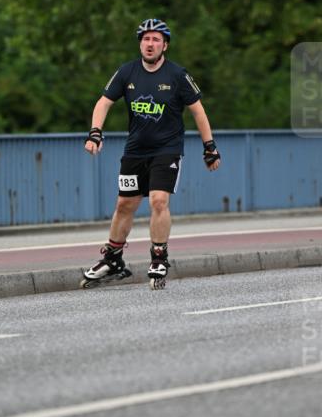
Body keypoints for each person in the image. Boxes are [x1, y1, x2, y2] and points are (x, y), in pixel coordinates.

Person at [82, 17, 221, 288]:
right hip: (135, 151)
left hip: (167, 150)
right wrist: (95, 132)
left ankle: (159, 257)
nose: (150, 43)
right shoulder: (127, 72)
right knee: (125, 204)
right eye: (146, 39)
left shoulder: (177, 75)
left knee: (158, 201)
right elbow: (103, 102)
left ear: (164, 46)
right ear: (140, 44)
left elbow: (198, 111)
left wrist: (210, 147)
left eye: (156, 39)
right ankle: (113, 259)